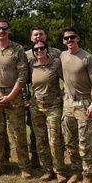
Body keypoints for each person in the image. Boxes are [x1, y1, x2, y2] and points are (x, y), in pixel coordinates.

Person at [0, 19, 30, 179]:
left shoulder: (18, 49)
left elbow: (23, 76)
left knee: (18, 133)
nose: (1, 31)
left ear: (9, 30)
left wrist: (10, 96)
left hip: (13, 97)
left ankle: (25, 167)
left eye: (4, 28)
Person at [59, 26, 92, 183]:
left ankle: (88, 175)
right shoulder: (62, 55)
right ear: (63, 41)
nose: (69, 40)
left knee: (85, 141)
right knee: (70, 140)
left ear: (78, 38)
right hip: (68, 103)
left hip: (84, 103)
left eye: (72, 37)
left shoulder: (87, 58)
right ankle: (76, 171)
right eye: (66, 38)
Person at [28, 39, 68, 183]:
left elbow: (68, 79)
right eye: (36, 49)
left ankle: (60, 171)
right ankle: (47, 170)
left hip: (53, 106)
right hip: (36, 106)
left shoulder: (56, 63)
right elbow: (24, 81)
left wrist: (65, 91)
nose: (39, 51)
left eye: (42, 48)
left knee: (55, 140)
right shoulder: (31, 65)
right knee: (41, 139)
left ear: (47, 49)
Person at [26, 27, 60, 169]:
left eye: (41, 34)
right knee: (36, 132)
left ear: (45, 37)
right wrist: (25, 99)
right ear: (31, 38)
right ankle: (35, 156)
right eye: (35, 34)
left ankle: (58, 166)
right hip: (34, 101)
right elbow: (23, 79)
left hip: (52, 101)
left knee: (54, 135)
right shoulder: (26, 56)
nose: (38, 36)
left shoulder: (57, 54)